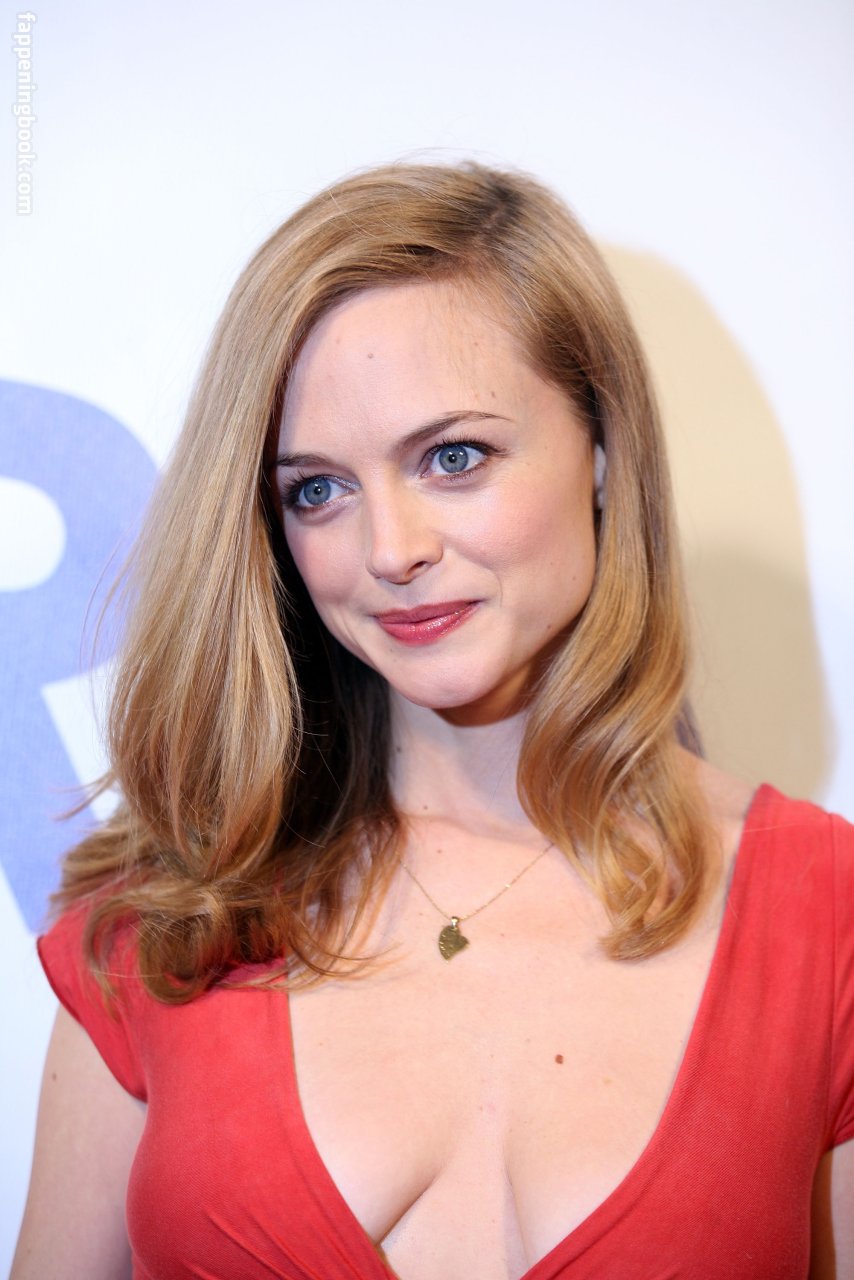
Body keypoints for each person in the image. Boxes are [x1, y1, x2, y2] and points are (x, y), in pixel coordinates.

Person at [12, 162, 854, 1280]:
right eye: (317, 489)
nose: (390, 549)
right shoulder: (171, 915)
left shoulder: (827, 918)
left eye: (453, 457)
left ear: (603, 451)